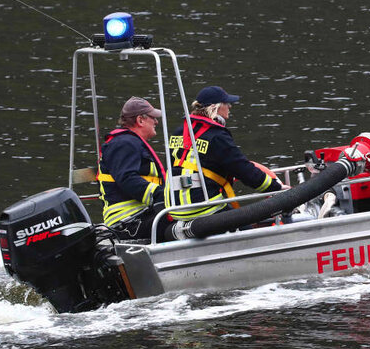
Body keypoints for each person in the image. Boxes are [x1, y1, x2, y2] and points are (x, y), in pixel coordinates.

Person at [168, 85, 285, 219]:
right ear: (215, 107)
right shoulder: (217, 136)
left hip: (175, 208)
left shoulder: (179, 132)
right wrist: (276, 188)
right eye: (227, 103)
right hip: (204, 207)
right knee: (246, 228)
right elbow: (242, 168)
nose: (230, 106)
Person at [97, 97, 172, 241]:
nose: (156, 122)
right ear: (140, 120)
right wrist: (159, 194)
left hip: (140, 215)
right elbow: (127, 178)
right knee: (184, 221)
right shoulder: (123, 143)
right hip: (128, 221)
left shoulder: (129, 142)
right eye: (153, 118)